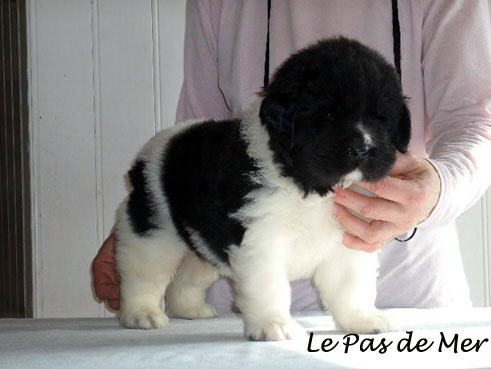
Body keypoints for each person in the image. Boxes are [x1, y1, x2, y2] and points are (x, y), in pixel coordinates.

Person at [93, 0, 491, 313]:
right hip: (244, 300)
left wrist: (438, 190)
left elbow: (477, 118)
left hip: (401, 297)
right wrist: (154, 220)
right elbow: (201, 129)